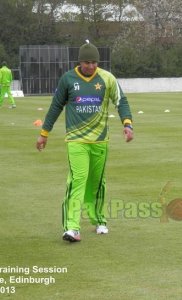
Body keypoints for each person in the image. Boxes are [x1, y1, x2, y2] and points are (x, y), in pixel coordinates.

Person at [36, 40, 133, 243]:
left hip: (100, 142)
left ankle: (99, 220)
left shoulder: (107, 78)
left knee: (96, 183)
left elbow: (121, 100)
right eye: (87, 62)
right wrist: (44, 133)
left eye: (94, 62)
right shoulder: (68, 79)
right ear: (80, 62)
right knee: (77, 180)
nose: (90, 66)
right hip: (76, 140)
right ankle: (72, 227)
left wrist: (127, 124)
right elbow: (55, 107)